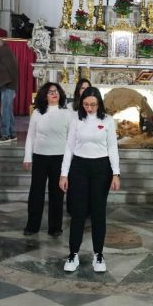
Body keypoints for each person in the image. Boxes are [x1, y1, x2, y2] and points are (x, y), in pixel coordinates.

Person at [59, 87, 121, 273]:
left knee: (98, 212)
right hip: (79, 167)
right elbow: (69, 147)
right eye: (86, 104)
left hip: (101, 169)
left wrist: (116, 173)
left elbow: (112, 148)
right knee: (78, 213)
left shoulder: (108, 121)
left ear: (99, 103)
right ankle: (73, 254)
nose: (89, 108)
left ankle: (98, 254)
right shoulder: (76, 119)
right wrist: (64, 173)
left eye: (93, 104)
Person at [23, 82, 72, 237]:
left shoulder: (67, 113)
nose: (54, 93)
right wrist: (27, 156)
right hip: (39, 157)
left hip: (59, 157)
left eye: (56, 91)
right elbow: (30, 136)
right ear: (44, 95)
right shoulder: (37, 113)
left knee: (57, 193)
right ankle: (32, 226)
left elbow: (71, 138)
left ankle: (55, 228)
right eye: (50, 91)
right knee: (36, 192)